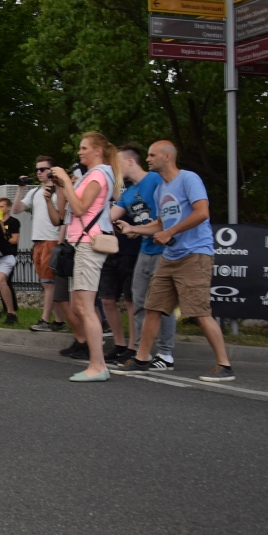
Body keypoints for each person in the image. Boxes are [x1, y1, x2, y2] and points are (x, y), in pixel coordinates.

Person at [117, 141, 234, 381]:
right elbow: (160, 224)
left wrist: (171, 232)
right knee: (152, 308)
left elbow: (202, 212)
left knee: (200, 312)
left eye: (152, 155)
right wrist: (135, 228)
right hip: (169, 257)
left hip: (195, 254)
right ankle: (141, 360)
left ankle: (224, 366)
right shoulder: (161, 190)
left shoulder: (189, 179)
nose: (147, 159)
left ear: (167, 157)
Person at [49, 133, 122, 381]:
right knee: (81, 305)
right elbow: (65, 213)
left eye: (83, 148)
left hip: (88, 244)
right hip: (79, 243)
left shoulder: (99, 174)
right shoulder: (90, 176)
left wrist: (68, 184)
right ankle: (97, 363)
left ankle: (97, 365)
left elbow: (80, 209)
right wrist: (62, 186)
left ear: (98, 150)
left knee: (86, 307)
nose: (79, 152)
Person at [110, 144, 176, 369]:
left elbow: (164, 221)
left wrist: (134, 229)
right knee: (138, 302)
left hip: (164, 251)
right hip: (145, 250)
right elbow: (110, 216)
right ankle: (140, 352)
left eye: (116, 163)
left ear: (130, 161)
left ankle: (166, 354)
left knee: (162, 304)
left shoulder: (156, 181)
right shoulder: (127, 192)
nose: (114, 168)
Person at [97, 154, 143, 365]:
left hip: (130, 248)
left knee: (130, 299)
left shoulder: (136, 186)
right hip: (108, 248)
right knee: (107, 298)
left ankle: (134, 347)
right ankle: (120, 343)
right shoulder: (106, 182)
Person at [14, 156, 66, 332]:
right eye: (37, 170)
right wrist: (21, 188)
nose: (39, 172)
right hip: (38, 241)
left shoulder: (59, 190)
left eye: (43, 169)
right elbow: (16, 209)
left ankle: (45, 319)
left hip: (51, 240)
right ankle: (59, 321)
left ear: (51, 171)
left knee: (49, 284)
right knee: (47, 283)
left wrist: (60, 242)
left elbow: (63, 217)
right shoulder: (35, 192)